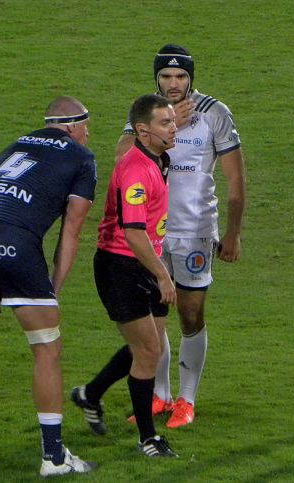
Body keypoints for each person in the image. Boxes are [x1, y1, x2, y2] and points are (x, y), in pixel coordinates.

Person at [0, 96, 98, 475]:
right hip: (14, 241)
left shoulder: (16, 144)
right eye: (86, 127)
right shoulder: (82, 158)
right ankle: (54, 457)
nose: (88, 134)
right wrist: (53, 289)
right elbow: (72, 231)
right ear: (71, 126)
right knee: (47, 347)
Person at [114, 44, 246, 429]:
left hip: (194, 231)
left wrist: (233, 233)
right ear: (156, 78)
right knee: (154, 316)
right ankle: (161, 394)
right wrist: (165, 124)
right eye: (166, 76)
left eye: (181, 76)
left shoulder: (215, 113)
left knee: (190, 314)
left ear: (192, 78)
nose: (173, 84)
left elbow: (236, 179)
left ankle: (187, 400)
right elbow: (121, 157)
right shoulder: (148, 112)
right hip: (151, 232)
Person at [71, 94, 179, 457]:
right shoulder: (136, 170)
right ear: (143, 131)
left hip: (145, 262)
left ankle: (90, 394)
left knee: (151, 345)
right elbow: (133, 234)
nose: (173, 128)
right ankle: (148, 439)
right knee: (148, 350)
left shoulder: (159, 157)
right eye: (165, 123)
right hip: (121, 266)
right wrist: (163, 275)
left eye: (173, 121)